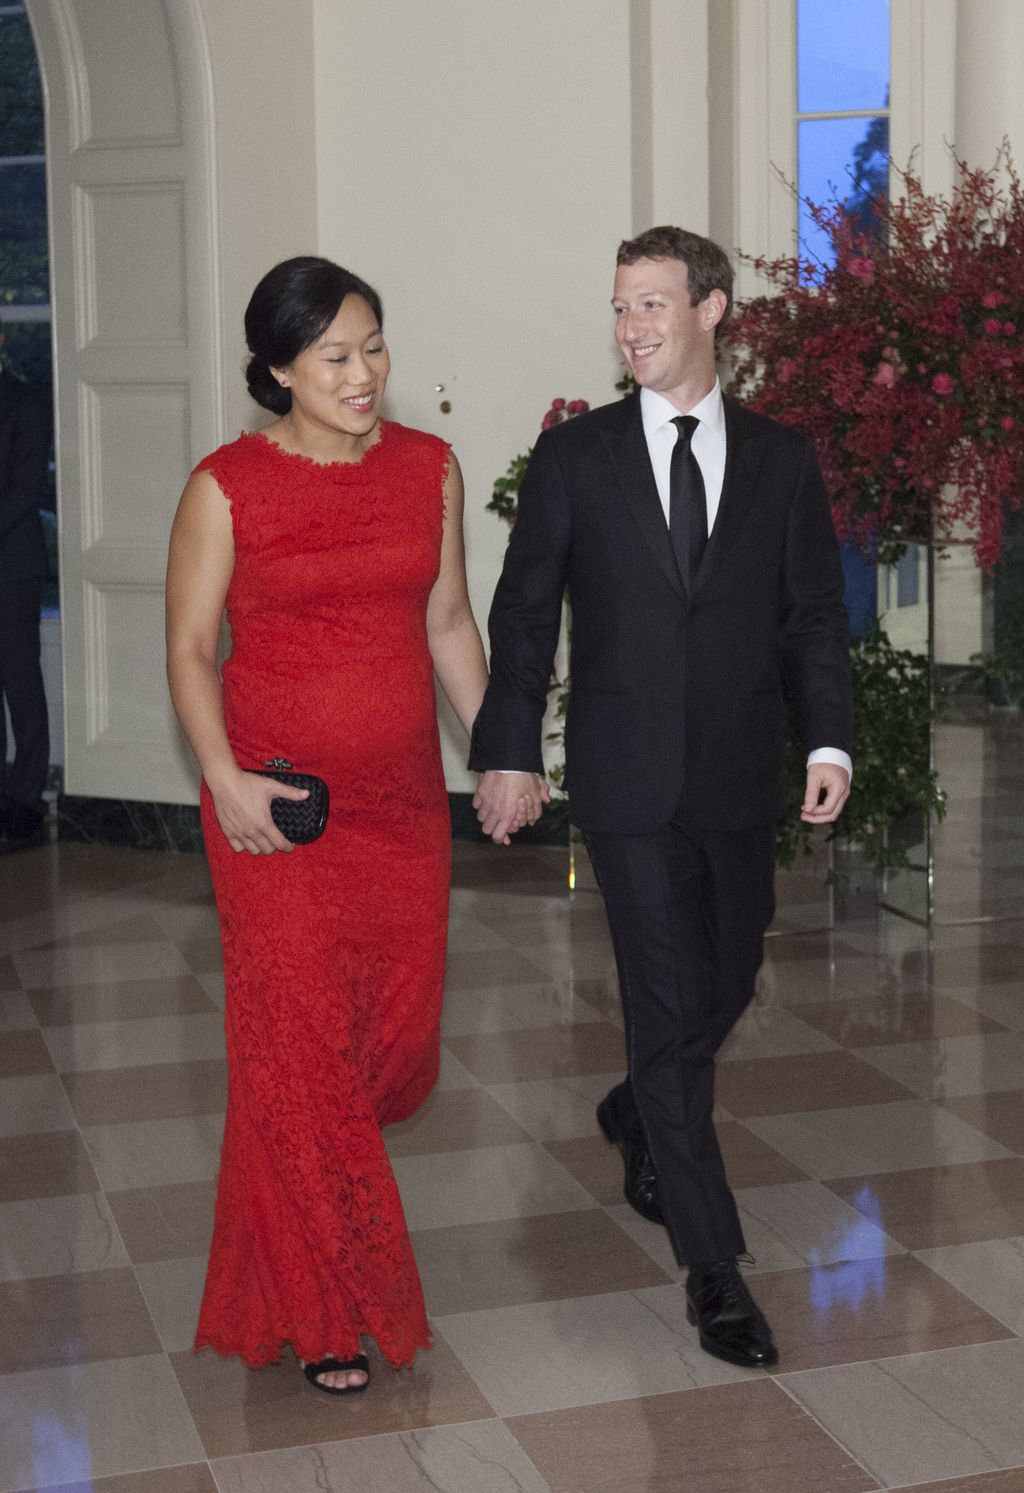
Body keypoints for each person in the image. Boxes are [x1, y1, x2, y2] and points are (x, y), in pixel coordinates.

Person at [470, 226, 852, 1370]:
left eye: (651, 304)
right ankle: (713, 1265)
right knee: (666, 1001)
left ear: (712, 309)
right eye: (620, 307)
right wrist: (506, 750)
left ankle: (638, 1109)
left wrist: (826, 737)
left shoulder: (782, 458)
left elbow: (811, 616)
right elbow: (526, 613)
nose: (632, 327)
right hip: (625, 779)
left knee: (729, 971)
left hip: (739, 772)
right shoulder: (573, 458)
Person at [166, 256, 534, 1395]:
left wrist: (503, 749)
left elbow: (448, 622)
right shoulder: (225, 486)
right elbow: (188, 648)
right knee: (301, 1055)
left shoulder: (428, 469)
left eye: (373, 345)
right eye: (334, 354)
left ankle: (297, 1228)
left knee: (392, 1052)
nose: (364, 372)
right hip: (276, 814)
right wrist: (223, 776)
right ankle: (335, 1309)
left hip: (401, 814)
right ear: (277, 368)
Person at [0, 328, 51, 849]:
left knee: (20, 682)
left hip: (11, 566)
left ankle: (25, 799)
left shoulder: (25, 402)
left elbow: (25, 490)